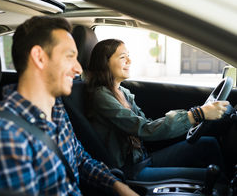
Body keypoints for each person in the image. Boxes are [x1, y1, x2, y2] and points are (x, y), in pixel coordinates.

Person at [0, 17, 139, 196]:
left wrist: (118, 186)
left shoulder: (57, 110)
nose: (78, 69)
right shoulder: (4, 135)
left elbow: (80, 160)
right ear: (39, 57)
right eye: (70, 56)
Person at [86, 38, 230, 181]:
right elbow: (144, 129)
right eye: (123, 57)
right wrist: (197, 114)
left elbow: (147, 123)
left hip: (143, 158)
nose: (129, 61)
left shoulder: (122, 92)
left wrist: (192, 118)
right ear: (105, 63)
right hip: (130, 170)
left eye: (129, 56)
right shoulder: (102, 96)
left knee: (208, 144)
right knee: (212, 178)